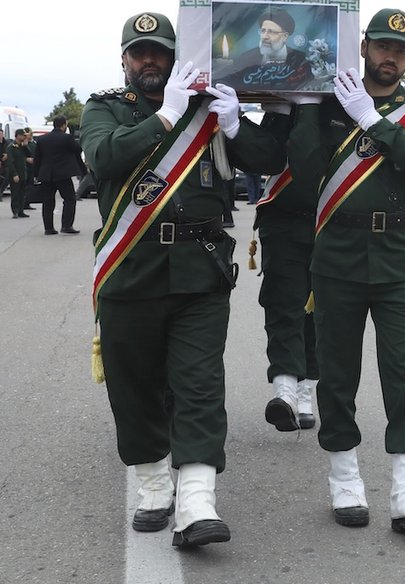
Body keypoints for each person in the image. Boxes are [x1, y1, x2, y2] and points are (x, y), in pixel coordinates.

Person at [80, 12, 285, 547]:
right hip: (130, 266)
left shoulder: (207, 107)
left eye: (160, 51)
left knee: (199, 383)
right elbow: (103, 157)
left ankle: (197, 501)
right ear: (124, 60)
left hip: (200, 267)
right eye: (139, 52)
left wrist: (235, 124)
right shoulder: (106, 107)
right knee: (134, 383)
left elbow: (270, 160)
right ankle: (153, 483)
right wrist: (166, 116)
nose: (150, 60)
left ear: (176, 57)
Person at [299, 7, 405, 535]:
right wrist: (308, 107)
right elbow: (303, 167)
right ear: (363, 48)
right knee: (338, 373)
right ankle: (345, 479)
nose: (392, 58)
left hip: (398, 255)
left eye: (401, 51)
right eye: (383, 47)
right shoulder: (328, 103)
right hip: (337, 254)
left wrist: (372, 118)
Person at [255, 95, 323, 432]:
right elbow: (263, 157)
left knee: (318, 312)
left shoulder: (340, 107)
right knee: (283, 304)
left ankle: (306, 388)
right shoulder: (278, 108)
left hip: (329, 222)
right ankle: (284, 389)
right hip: (282, 220)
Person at [218, 7, 312, 91]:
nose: (265, 37)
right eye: (263, 31)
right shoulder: (246, 58)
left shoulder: (299, 60)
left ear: (285, 36)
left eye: (271, 32)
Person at [34, 116, 86, 234]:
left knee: (47, 202)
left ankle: (48, 228)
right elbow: (78, 149)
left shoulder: (42, 139)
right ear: (64, 125)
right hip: (63, 174)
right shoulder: (67, 138)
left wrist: (36, 174)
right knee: (69, 199)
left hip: (46, 174)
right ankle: (66, 226)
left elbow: (37, 158)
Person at [5, 129, 30, 219]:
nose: (24, 137)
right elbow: (10, 163)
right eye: (23, 135)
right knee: (15, 193)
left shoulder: (22, 146)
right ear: (18, 136)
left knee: (22, 193)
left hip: (23, 173)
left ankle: (21, 211)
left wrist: (26, 146)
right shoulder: (11, 147)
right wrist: (14, 174)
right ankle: (15, 211)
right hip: (15, 174)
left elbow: (29, 154)